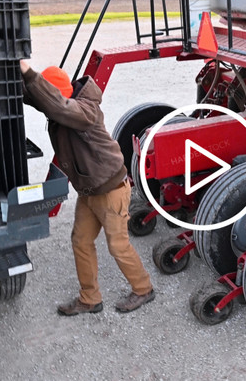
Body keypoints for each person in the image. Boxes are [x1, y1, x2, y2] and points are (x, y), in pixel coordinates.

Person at [20, 60, 155, 315]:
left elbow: (56, 105)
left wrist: (28, 71)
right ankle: (89, 299)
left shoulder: (82, 112)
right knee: (81, 241)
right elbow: (40, 99)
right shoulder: (64, 105)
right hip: (89, 191)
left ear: (59, 95)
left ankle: (143, 289)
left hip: (111, 189)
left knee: (118, 245)